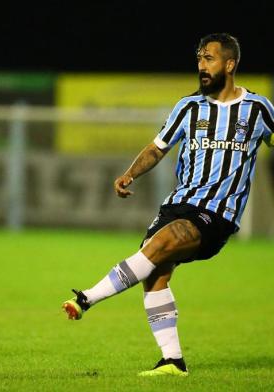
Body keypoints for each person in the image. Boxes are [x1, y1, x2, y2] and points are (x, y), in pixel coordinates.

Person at [62, 33, 274, 377]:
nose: (201, 66)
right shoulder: (188, 107)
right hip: (177, 204)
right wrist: (130, 174)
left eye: (209, 59)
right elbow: (157, 147)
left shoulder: (258, 109)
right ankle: (173, 361)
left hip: (217, 213)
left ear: (230, 64)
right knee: (155, 272)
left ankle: (86, 298)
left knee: (163, 243)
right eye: (200, 59)